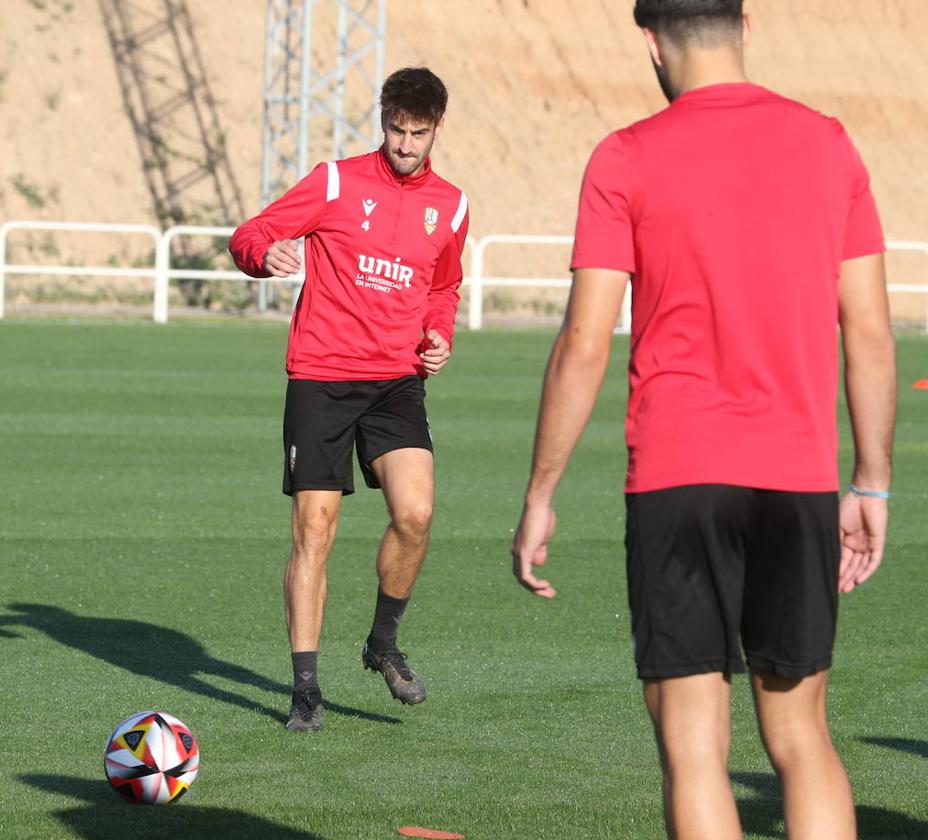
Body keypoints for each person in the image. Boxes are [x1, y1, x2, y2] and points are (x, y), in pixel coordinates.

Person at [509, 2, 896, 837]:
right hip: (798, 474)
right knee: (800, 735)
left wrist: (542, 490)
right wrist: (873, 481)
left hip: (679, 476)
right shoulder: (828, 144)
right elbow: (868, 328)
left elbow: (585, 341)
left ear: (650, 41)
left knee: (693, 747)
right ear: (745, 27)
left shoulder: (624, 158)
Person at [229, 67, 469, 732]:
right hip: (322, 377)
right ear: (383, 119)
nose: (405, 144)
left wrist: (438, 336)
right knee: (315, 532)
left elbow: (444, 287)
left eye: (418, 133)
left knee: (416, 515)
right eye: (396, 129)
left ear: (436, 129)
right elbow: (251, 232)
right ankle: (306, 688)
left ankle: (381, 643)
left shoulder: (450, 204)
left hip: (396, 383)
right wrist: (264, 255)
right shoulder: (334, 182)